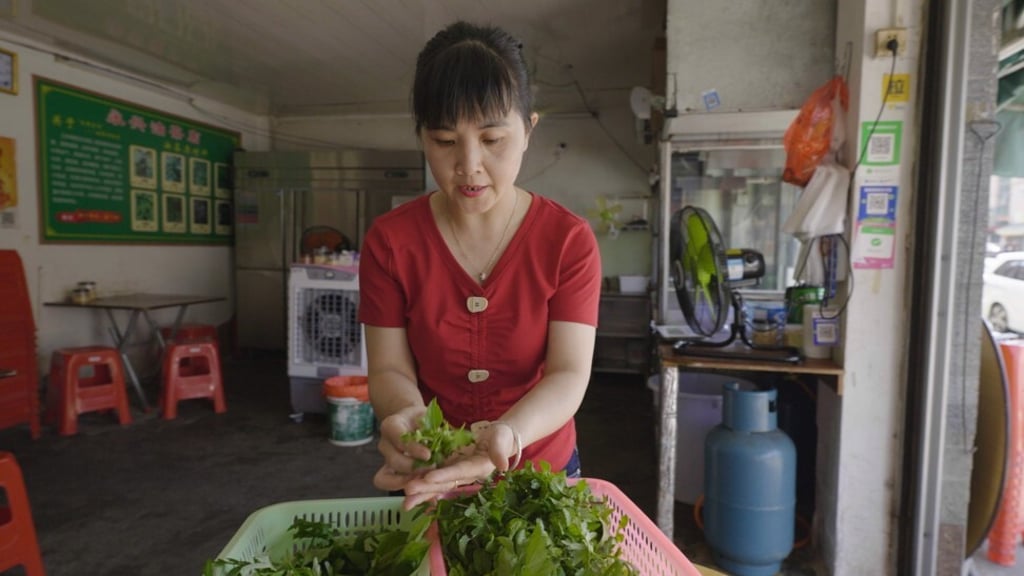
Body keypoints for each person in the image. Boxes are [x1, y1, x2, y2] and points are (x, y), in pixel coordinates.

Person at [358, 20, 602, 509]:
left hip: (543, 472)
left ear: (529, 130)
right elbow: (388, 367)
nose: (468, 165)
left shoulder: (567, 242)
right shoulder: (390, 241)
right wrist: (407, 416)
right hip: (436, 473)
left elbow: (568, 373)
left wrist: (509, 434)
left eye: (492, 139)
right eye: (445, 142)